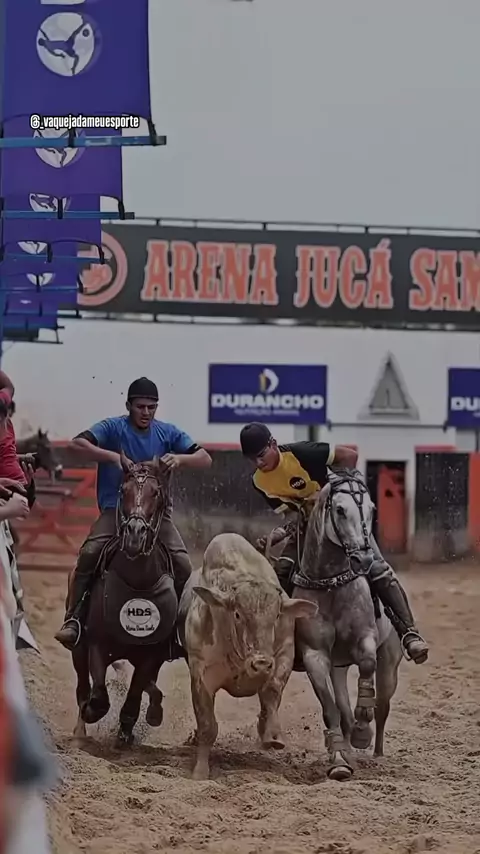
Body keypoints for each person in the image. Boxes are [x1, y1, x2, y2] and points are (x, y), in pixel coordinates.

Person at [240, 422, 428, 665]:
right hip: (309, 528)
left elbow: (350, 456)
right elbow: (290, 513)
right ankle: (284, 642)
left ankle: (409, 633)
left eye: (261, 455)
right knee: (281, 573)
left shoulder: (302, 453)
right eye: (251, 459)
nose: (258, 462)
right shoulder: (259, 482)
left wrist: (332, 489)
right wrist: (281, 532)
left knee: (378, 569)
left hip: (341, 519)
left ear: (273, 444)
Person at [55, 377, 212, 650]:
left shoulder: (167, 433)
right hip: (115, 511)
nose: (146, 412)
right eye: (140, 407)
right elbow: (76, 444)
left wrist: (179, 459)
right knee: (90, 553)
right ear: (128, 406)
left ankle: (181, 630)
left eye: (152, 407)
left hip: (156, 516)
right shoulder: (113, 428)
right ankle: (74, 619)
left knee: (183, 565)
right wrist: (112, 457)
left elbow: (205, 458)